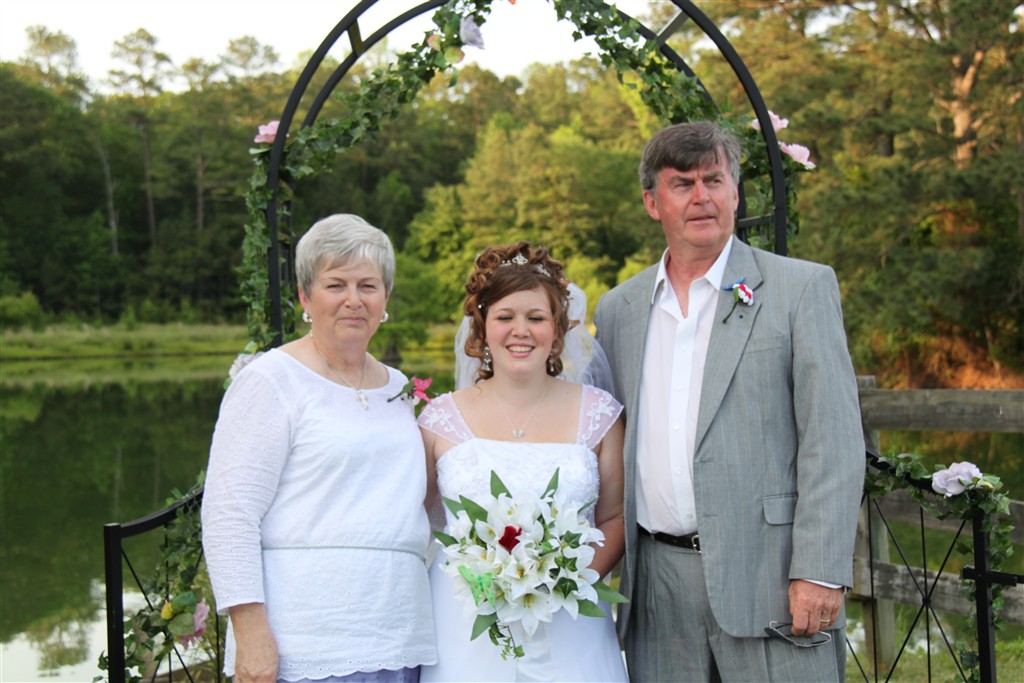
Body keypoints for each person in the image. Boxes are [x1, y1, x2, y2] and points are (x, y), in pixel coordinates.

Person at [594, 121, 865, 682]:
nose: (702, 197)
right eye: (683, 183)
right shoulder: (619, 310)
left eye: (714, 180)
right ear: (652, 202)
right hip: (657, 594)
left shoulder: (800, 289)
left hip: (773, 582)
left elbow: (833, 441)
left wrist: (819, 569)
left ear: (735, 194)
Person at [201, 214, 436, 683]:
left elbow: (414, 505)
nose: (354, 300)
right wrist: (251, 634)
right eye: (336, 285)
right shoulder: (271, 380)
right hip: (307, 644)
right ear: (306, 297)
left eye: (368, 286)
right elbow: (230, 513)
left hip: (399, 635)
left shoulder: (398, 388)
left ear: (385, 298)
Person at [419, 242, 628, 682]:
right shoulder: (439, 419)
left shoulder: (599, 415)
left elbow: (615, 517)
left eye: (536, 318)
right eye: (505, 317)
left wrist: (562, 580)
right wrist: (488, 578)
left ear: (557, 328)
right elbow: (424, 522)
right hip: (466, 626)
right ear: (482, 326)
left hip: (570, 624)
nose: (521, 331)